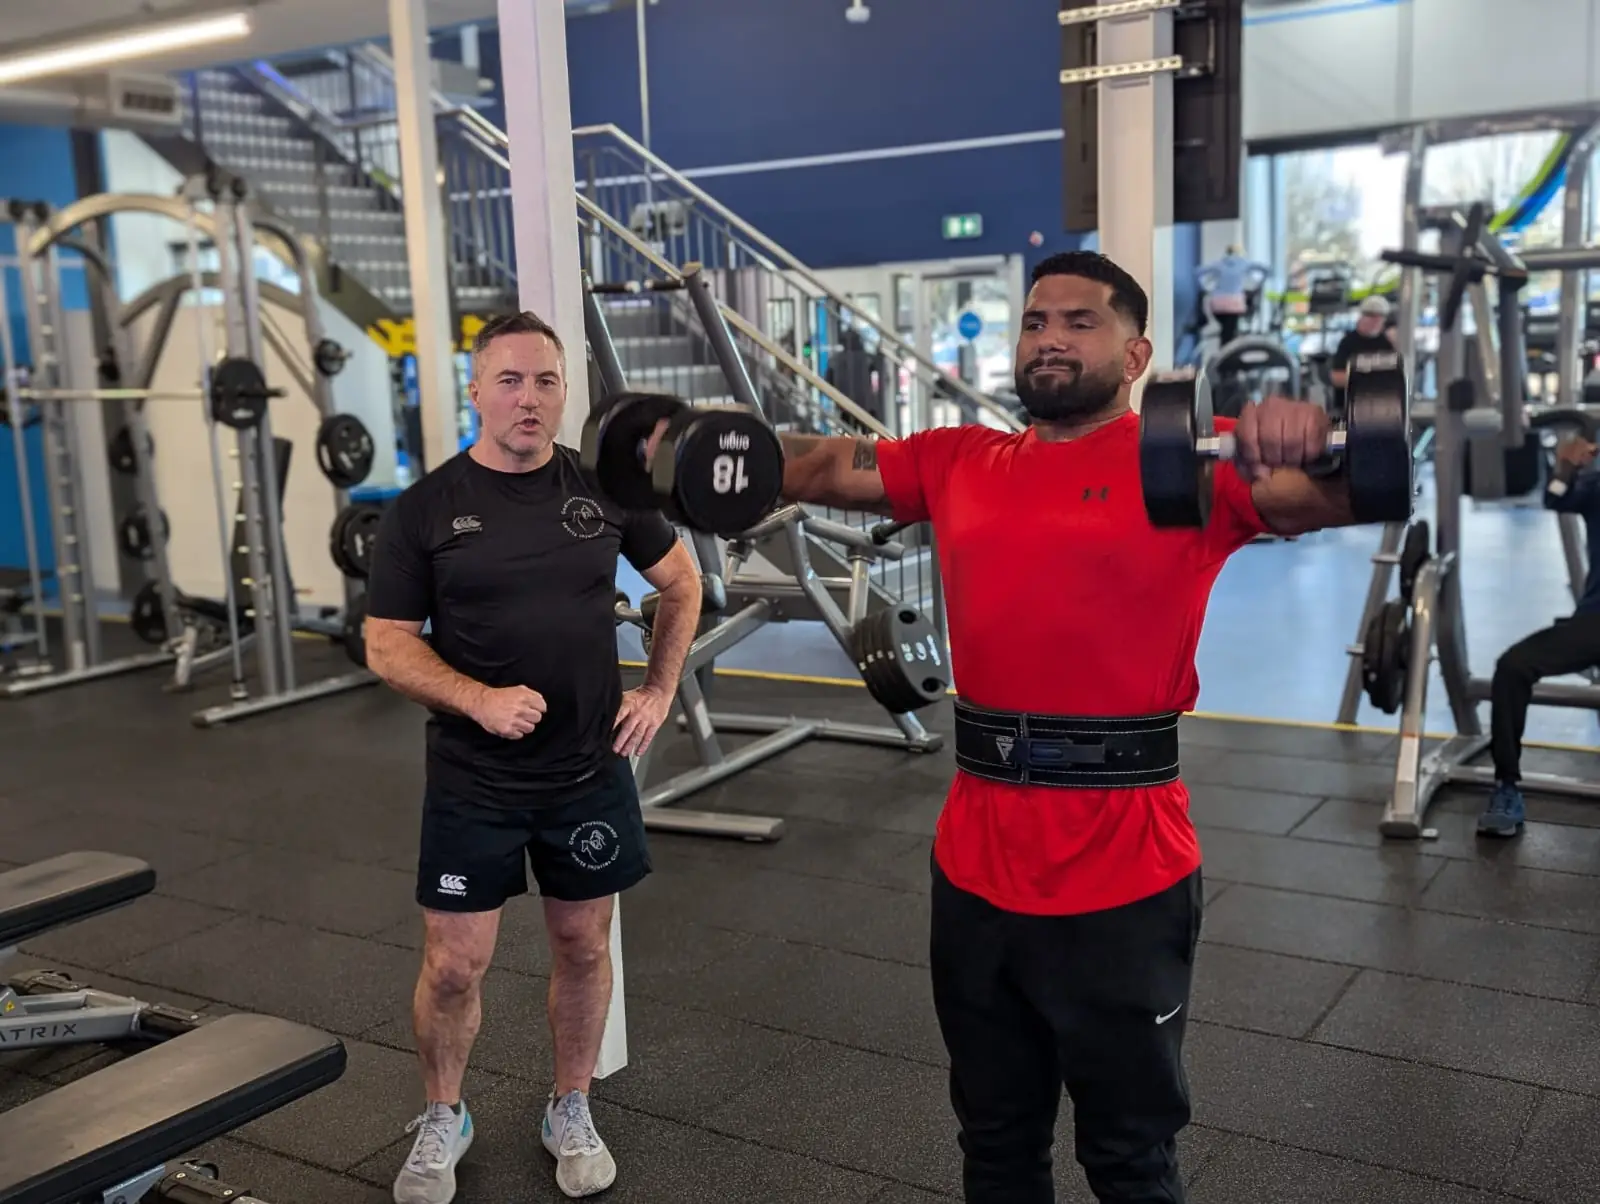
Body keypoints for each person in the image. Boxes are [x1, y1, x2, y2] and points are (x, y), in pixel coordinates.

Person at [768, 251, 1365, 1204]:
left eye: (1079, 323)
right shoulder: (961, 460)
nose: (1049, 338)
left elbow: (1342, 493)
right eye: (1037, 321)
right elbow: (827, 465)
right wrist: (696, 447)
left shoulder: (1187, 459)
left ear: (1135, 355)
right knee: (996, 1141)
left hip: (1123, 870)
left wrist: (1319, 440)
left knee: (1128, 1155)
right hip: (974, 865)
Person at [363, 311, 703, 1203]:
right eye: (509, 380)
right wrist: (477, 698)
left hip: (586, 771)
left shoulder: (605, 492)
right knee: (455, 964)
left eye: (546, 381)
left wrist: (659, 691)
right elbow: (386, 644)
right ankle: (446, 1112)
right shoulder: (424, 510)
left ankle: (570, 1104)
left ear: (563, 393)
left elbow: (683, 582)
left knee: (585, 946)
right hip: (475, 778)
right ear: (475, 390)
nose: (529, 398)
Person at [1479, 434, 1600, 836]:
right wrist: (1566, 464)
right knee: (1512, 667)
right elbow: (1555, 497)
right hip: (1594, 623)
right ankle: (1506, 785)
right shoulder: (1596, 489)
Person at [1195, 245, 1269, 347]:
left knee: (1226, 330)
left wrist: (1206, 289)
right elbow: (1266, 270)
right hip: (1234, 304)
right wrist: (1258, 285)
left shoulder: (1219, 264)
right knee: (1230, 332)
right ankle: (1227, 355)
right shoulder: (1244, 263)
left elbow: (1198, 272)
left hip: (1217, 304)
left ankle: (1224, 351)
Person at [1329, 295, 1397, 392]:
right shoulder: (1348, 342)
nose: (1375, 321)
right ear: (1361, 317)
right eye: (1371, 316)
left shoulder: (1387, 343)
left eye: (1380, 317)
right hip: (1351, 400)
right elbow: (1336, 378)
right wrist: (1366, 380)